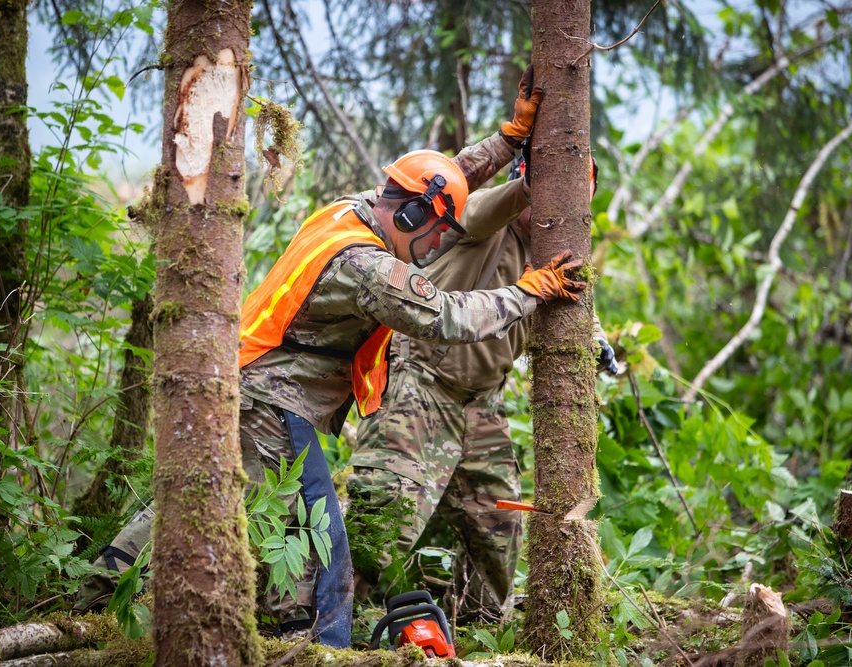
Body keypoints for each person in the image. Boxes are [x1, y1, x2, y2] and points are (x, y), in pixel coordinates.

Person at [74, 68, 586, 647]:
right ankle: (310, 644)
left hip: (253, 387)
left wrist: (510, 138)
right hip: (275, 404)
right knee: (318, 546)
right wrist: (528, 291)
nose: (439, 246)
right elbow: (448, 318)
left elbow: (449, 180)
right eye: (435, 234)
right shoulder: (366, 268)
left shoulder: (355, 211)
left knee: (214, 499)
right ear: (414, 217)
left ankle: (100, 598)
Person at [345, 151, 617, 624]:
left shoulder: (559, 251)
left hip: (481, 405)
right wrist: (531, 184)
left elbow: (579, 310)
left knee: (499, 536)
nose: (559, 208)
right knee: (380, 534)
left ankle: (473, 636)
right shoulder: (483, 220)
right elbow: (476, 209)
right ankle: (316, 631)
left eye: (578, 197)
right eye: (549, 193)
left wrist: (596, 342)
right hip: (419, 387)